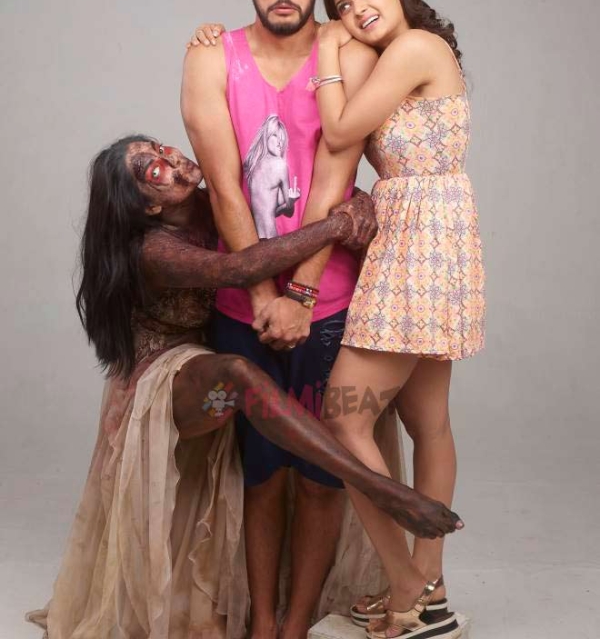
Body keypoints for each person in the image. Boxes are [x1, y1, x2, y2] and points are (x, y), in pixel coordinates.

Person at [26, 136, 461, 639]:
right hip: (173, 387)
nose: (171, 160)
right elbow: (238, 268)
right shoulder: (153, 248)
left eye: (162, 149)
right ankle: (381, 490)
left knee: (290, 457)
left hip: (217, 363)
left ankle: (291, 622)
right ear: (147, 205)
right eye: (153, 170)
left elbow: (293, 200)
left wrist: (357, 201)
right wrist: (336, 226)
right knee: (238, 378)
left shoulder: (213, 203)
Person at [181, 0, 393, 639]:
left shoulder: (346, 56)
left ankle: (297, 624)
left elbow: (335, 176)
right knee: (263, 468)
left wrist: (299, 295)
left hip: (329, 303)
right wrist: (263, 295)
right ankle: (263, 624)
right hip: (244, 305)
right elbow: (224, 185)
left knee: (324, 472)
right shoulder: (211, 58)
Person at [311, 0, 486, 639]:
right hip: (428, 237)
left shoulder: (414, 46)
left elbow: (339, 130)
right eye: (343, 6)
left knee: (343, 416)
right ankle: (429, 592)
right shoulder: (402, 55)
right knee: (428, 423)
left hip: (420, 246)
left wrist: (328, 52)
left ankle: (407, 585)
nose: (357, 9)